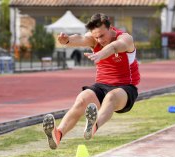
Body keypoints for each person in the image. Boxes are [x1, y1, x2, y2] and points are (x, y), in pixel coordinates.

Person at [42, 13, 140, 149]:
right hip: (101, 86)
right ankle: (58, 134)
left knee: (111, 97)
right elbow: (81, 38)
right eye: (96, 37)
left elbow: (114, 47)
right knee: (82, 99)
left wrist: (100, 54)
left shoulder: (125, 38)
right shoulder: (94, 39)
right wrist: (67, 40)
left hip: (125, 88)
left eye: (102, 36)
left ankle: (93, 126)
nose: (99, 40)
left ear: (110, 28)